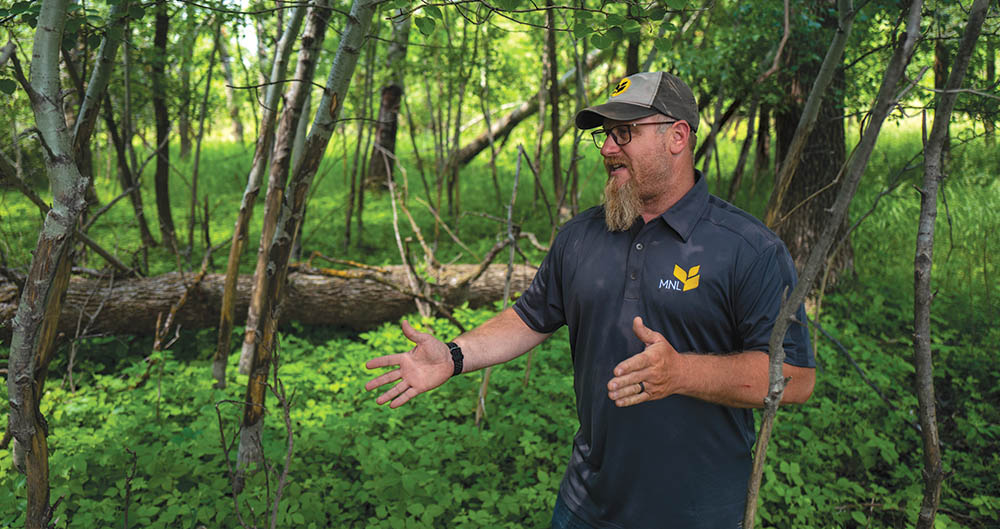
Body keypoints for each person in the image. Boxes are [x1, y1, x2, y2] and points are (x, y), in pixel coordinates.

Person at [365, 71, 815, 529]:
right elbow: (530, 317)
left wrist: (682, 373)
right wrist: (453, 356)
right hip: (585, 505)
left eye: (625, 133)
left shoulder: (748, 249)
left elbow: (796, 379)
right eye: (605, 134)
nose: (607, 148)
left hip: (697, 514)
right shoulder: (582, 235)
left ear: (677, 136)